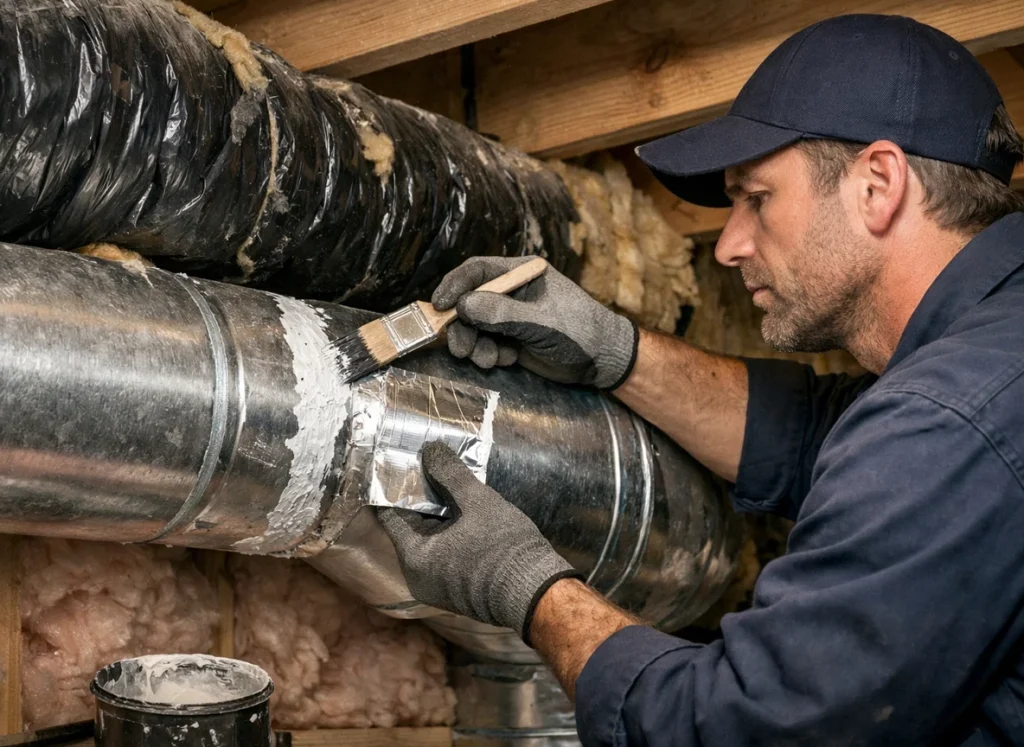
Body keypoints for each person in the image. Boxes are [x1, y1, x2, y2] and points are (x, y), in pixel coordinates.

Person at [377, 14, 1024, 746]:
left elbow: (745, 725)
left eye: (757, 197)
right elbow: (819, 432)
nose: (729, 245)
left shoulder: (948, 418)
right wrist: (613, 349)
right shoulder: (989, 356)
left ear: (878, 183)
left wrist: (525, 586)